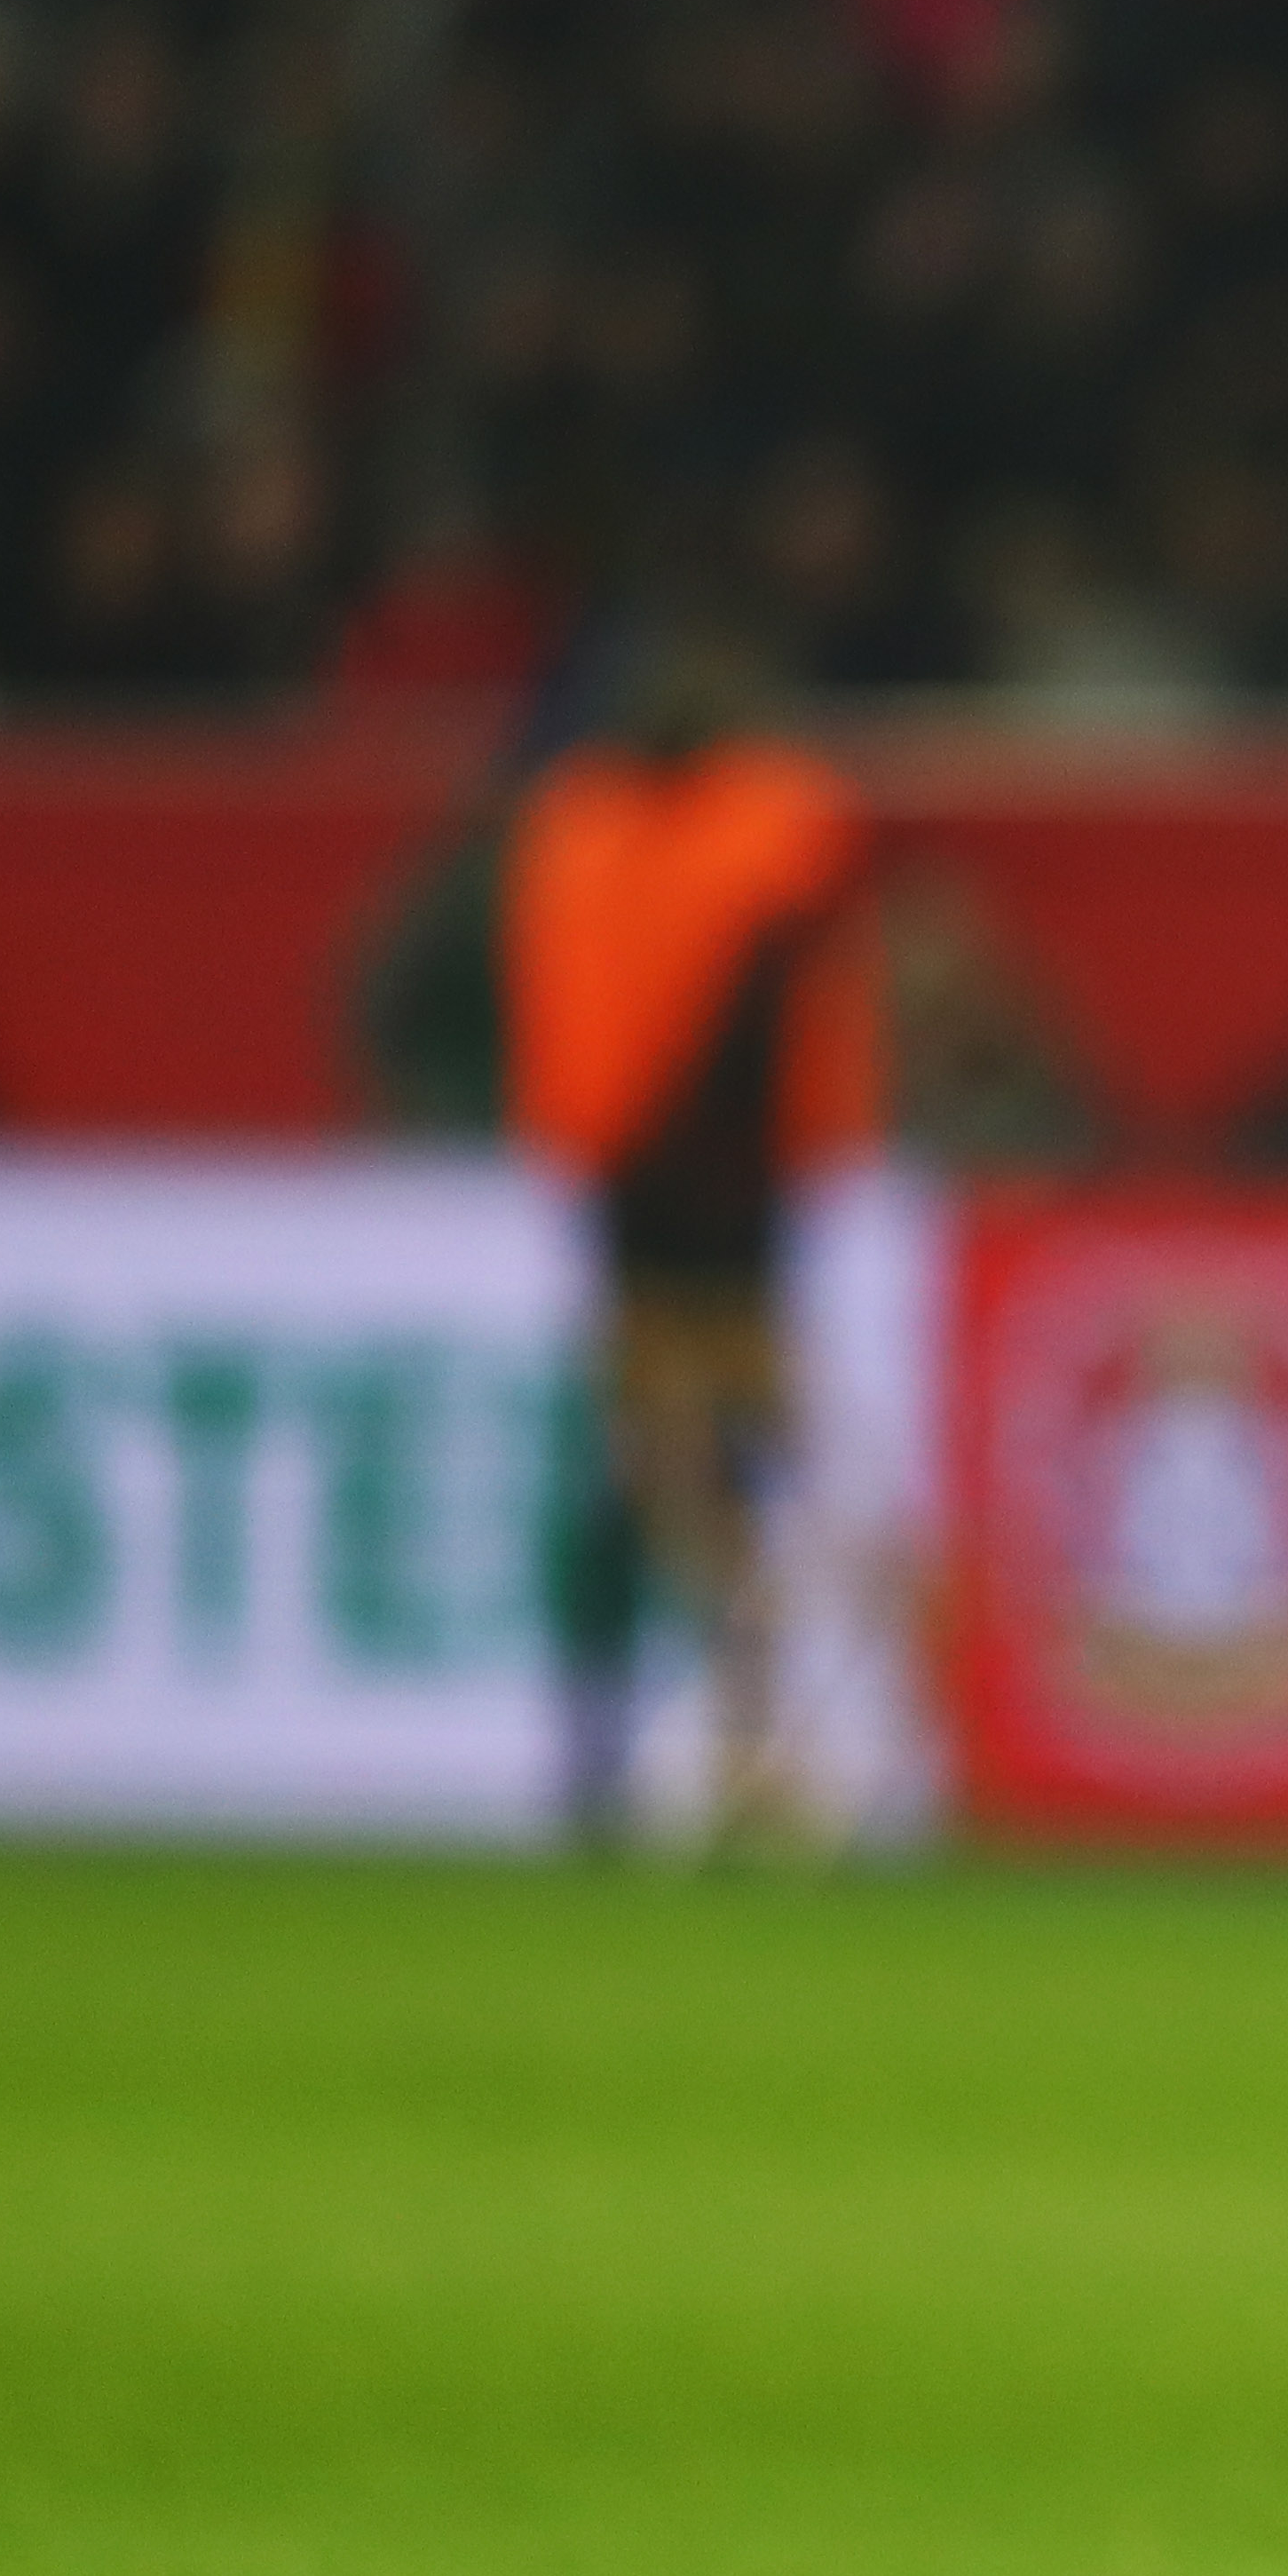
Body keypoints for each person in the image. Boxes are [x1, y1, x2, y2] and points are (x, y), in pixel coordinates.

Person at [502, 610, 884, 1843]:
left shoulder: (578, 829)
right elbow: (759, 1002)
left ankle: (680, 1740)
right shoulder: (761, 826)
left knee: (669, 1468)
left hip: (645, 1190)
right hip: (709, 1195)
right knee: (723, 1465)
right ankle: (738, 1738)